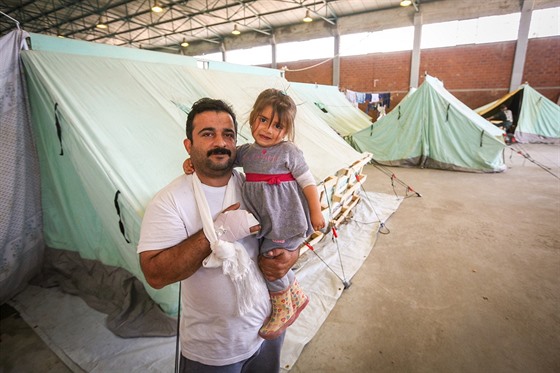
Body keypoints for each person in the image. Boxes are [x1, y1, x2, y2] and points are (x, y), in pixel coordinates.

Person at [137, 97, 300, 373]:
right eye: (208, 134)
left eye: (228, 135)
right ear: (188, 146)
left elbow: (289, 226)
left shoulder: (257, 188)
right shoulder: (169, 201)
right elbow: (155, 274)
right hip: (213, 350)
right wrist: (218, 232)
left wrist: (291, 254)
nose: (220, 143)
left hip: (266, 330)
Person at [183, 88, 325, 340]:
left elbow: (308, 182)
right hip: (267, 221)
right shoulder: (247, 153)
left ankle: (282, 307)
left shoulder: (288, 152)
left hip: (284, 219)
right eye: (263, 121)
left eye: (278, 126)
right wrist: (192, 161)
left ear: (286, 131)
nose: (268, 130)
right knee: (267, 256)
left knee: (269, 260)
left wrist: (316, 213)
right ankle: (295, 294)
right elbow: (220, 157)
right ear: (253, 118)